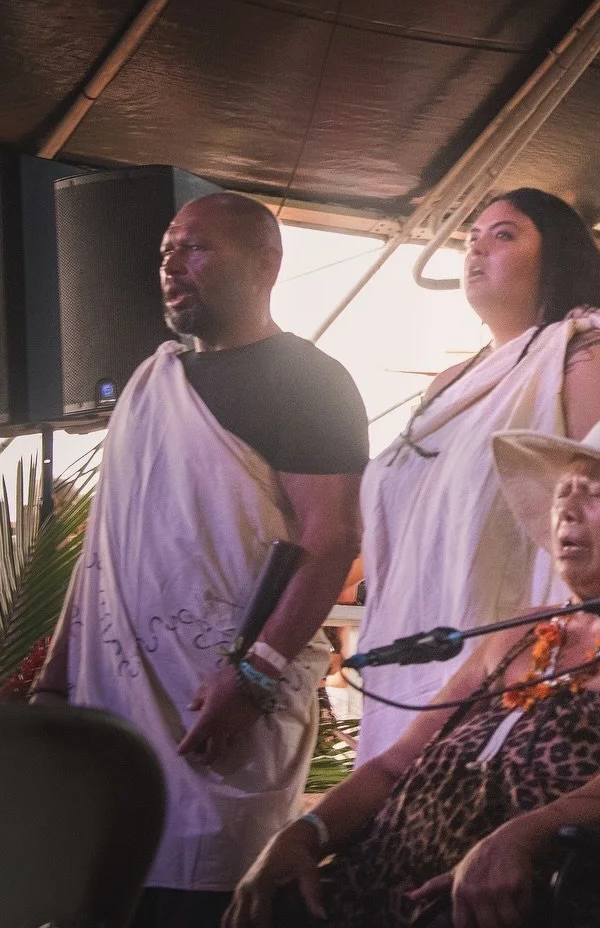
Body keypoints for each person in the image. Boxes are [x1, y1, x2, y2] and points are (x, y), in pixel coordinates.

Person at [223, 410, 600, 928]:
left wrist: (523, 838)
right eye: (563, 493)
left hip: (533, 894)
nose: (568, 512)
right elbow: (395, 766)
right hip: (384, 876)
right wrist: (303, 834)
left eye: (596, 495)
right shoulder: (519, 633)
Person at [31, 192, 369, 928]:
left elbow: (333, 536)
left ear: (266, 264)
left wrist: (254, 675)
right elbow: (102, 552)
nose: (172, 266)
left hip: (222, 713)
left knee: (202, 896)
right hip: (115, 718)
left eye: (196, 249)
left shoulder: (307, 380)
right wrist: (55, 683)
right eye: (166, 251)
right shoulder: (150, 382)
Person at [354, 187, 600, 763]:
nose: (477, 249)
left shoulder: (587, 354)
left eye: (504, 235)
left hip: (524, 669)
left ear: (557, 256)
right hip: (412, 653)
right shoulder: (448, 384)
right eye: (471, 238)